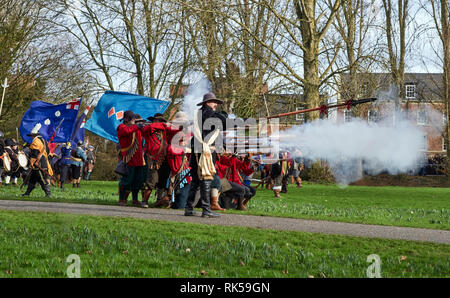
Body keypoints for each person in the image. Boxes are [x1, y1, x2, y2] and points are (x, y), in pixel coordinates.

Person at [184, 92, 227, 218]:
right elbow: (224, 122)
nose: (215, 105)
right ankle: (206, 209)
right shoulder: (209, 114)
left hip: (197, 151)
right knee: (206, 179)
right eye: (214, 102)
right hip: (206, 151)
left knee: (196, 181)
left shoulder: (198, 114)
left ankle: (189, 208)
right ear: (208, 103)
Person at [117, 111, 146, 206]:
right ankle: (121, 199)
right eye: (133, 119)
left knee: (138, 181)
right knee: (126, 181)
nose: (134, 121)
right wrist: (137, 126)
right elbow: (126, 131)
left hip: (139, 160)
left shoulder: (136, 128)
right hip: (128, 159)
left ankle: (135, 199)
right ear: (128, 119)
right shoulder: (121, 127)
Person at [21, 123, 53, 197]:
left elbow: (34, 154)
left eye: (32, 135)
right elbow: (47, 151)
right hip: (42, 161)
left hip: (38, 163)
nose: (31, 137)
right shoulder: (43, 140)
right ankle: (27, 193)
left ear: (33, 135)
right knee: (32, 179)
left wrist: (32, 162)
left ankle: (48, 193)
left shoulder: (35, 142)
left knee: (42, 179)